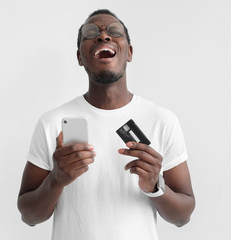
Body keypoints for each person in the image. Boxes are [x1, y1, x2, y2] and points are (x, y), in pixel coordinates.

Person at [17, 9, 195, 240]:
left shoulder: (162, 120)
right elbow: (29, 217)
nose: (103, 36)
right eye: (91, 33)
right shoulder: (53, 122)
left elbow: (182, 217)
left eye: (114, 31)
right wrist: (55, 180)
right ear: (80, 58)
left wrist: (155, 186)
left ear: (129, 52)